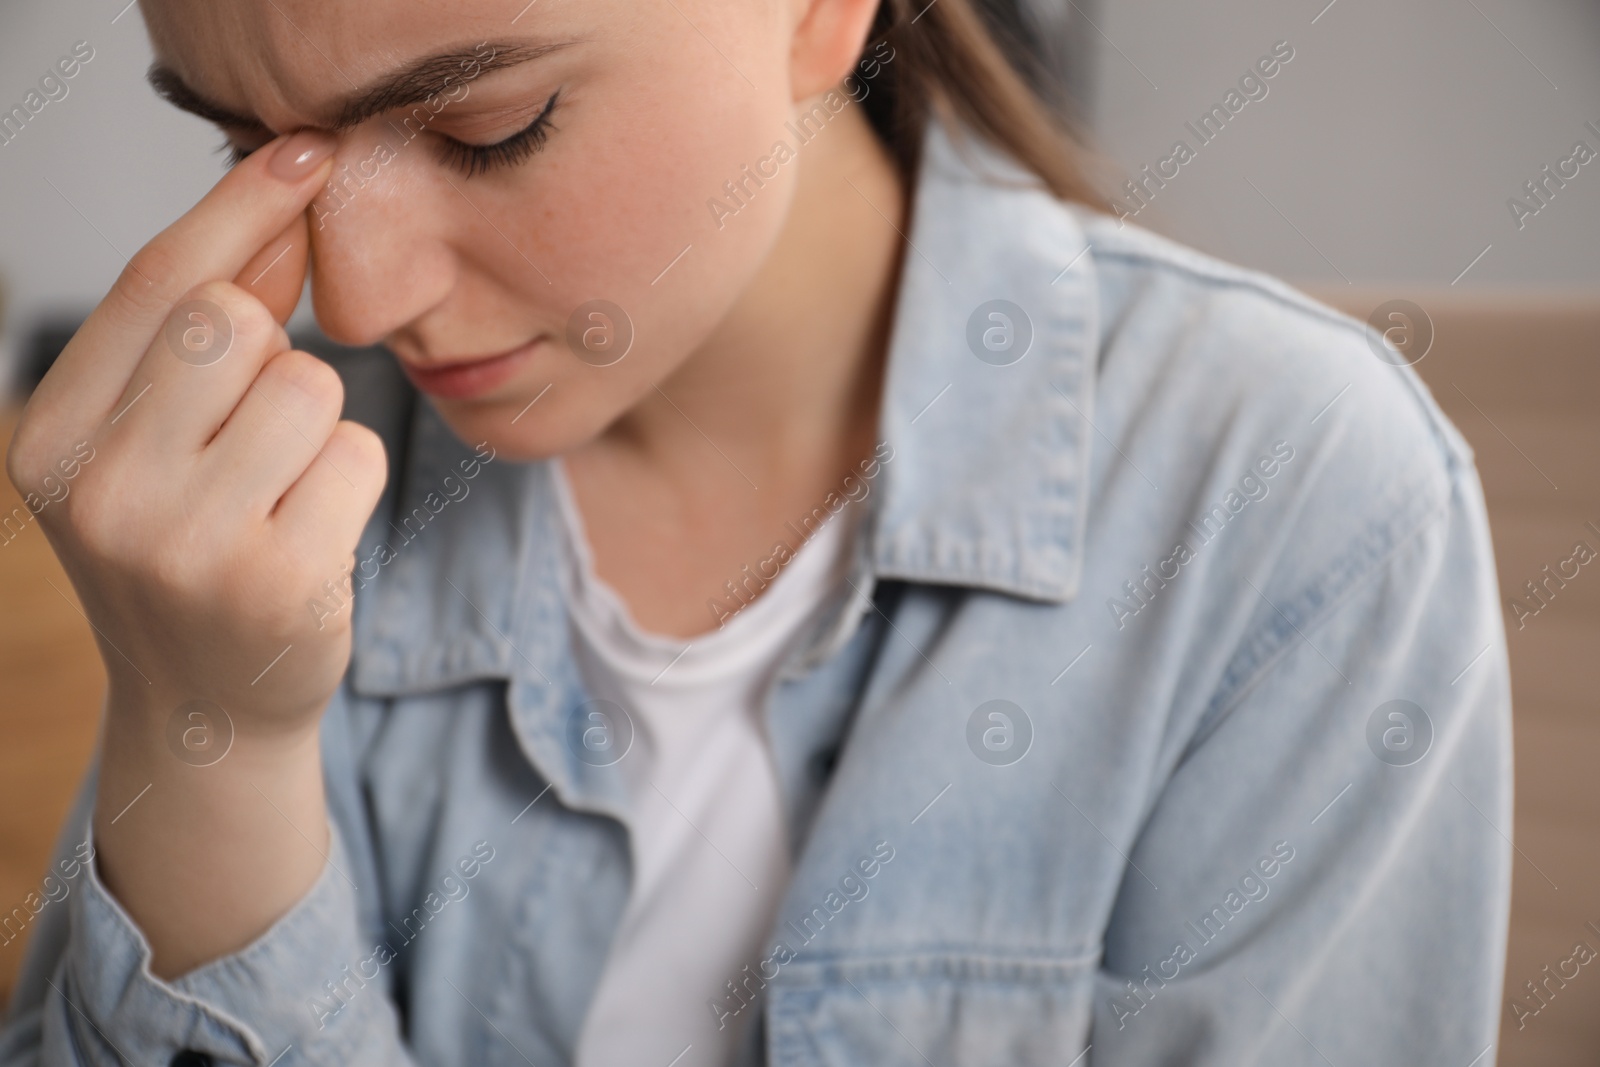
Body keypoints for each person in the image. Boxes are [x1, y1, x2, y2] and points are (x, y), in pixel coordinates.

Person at [1, 0, 1512, 1063]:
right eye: (253, 150)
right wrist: (206, 743)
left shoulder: (1293, 504)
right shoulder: (264, 514)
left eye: (489, 126)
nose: (360, 301)